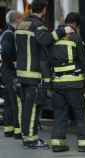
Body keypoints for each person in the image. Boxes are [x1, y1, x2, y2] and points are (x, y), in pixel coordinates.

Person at [15, 0, 73, 148]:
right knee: (34, 106)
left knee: (27, 107)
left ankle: (27, 136)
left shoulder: (22, 23)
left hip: (22, 72)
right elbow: (45, 40)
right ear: (44, 10)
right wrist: (62, 31)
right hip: (34, 73)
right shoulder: (38, 25)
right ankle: (31, 139)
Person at [48, 12, 85, 152]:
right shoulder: (75, 37)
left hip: (57, 82)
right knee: (81, 112)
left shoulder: (55, 36)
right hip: (74, 83)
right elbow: (84, 61)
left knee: (60, 113)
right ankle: (84, 143)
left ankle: (57, 143)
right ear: (76, 24)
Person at [0, 10, 23, 139]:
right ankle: (18, 130)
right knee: (16, 101)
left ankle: (8, 129)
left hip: (5, 71)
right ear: (17, 19)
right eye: (21, 19)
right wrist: (15, 62)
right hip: (10, 72)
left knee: (8, 101)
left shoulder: (5, 33)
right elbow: (7, 52)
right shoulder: (10, 34)